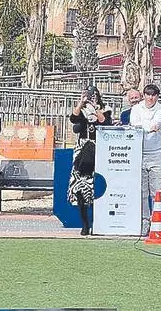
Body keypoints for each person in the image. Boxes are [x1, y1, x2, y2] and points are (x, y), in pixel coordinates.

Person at [67, 85, 112, 236]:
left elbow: (104, 122)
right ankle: (85, 223)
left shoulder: (105, 109)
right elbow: (73, 118)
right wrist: (81, 103)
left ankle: (100, 222)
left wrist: (95, 107)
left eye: (93, 95)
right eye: (88, 95)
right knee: (81, 185)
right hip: (82, 148)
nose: (91, 97)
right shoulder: (82, 111)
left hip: (99, 148)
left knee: (97, 185)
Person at [130, 83, 161, 233]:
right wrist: (146, 126)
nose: (150, 98)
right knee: (141, 191)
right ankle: (144, 221)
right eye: (148, 94)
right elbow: (135, 126)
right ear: (144, 95)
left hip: (157, 154)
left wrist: (145, 126)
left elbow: (155, 125)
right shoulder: (136, 109)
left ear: (157, 96)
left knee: (158, 190)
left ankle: (156, 220)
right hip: (139, 153)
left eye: (153, 95)